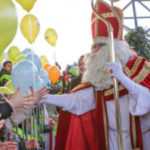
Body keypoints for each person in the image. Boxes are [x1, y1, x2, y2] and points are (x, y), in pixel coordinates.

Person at [32, 1, 150, 150]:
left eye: (100, 46)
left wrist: (123, 80)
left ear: (114, 47)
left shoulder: (140, 67)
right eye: (93, 46)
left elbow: (147, 101)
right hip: (111, 141)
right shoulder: (98, 82)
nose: (94, 51)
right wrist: (43, 98)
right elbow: (74, 101)